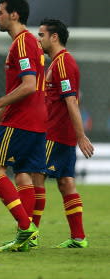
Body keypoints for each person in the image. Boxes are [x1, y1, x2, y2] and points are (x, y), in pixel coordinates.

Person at [0, 0, 46, 252]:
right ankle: (26, 237)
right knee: (23, 174)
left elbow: (28, 86)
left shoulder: (22, 44)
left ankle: (26, 227)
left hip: (21, 120)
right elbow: (22, 87)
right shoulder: (31, 43)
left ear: (14, 15)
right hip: (36, 121)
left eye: (1, 12)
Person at [36, 18, 94, 248]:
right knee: (66, 182)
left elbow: (71, 101)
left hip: (55, 133)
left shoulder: (62, 63)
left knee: (35, 178)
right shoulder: (58, 63)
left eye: (41, 35)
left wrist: (80, 135)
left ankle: (29, 235)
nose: (38, 39)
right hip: (62, 132)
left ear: (54, 37)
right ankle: (78, 237)